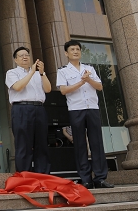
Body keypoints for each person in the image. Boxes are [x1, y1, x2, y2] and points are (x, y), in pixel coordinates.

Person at [56, 40, 114, 189]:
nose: (76, 51)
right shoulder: (63, 71)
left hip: (92, 108)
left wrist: (88, 79)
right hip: (76, 109)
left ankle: (100, 178)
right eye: (72, 49)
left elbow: (99, 87)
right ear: (66, 53)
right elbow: (63, 90)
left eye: (78, 49)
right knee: (80, 144)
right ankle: (86, 178)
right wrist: (82, 82)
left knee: (97, 143)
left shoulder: (89, 69)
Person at [5, 46, 51, 173]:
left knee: (41, 144)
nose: (25, 57)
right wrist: (31, 72)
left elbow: (48, 89)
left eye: (27, 55)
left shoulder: (38, 74)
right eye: (21, 55)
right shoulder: (12, 73)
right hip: (21, 109)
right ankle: (25, 178)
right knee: (23, 145)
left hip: (39, 109)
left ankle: (43, 176)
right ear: (15, 59)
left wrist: (41, 73)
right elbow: (18, 87)